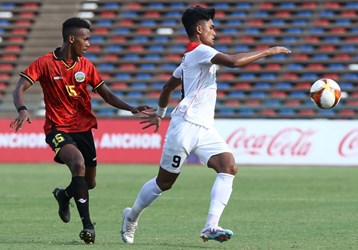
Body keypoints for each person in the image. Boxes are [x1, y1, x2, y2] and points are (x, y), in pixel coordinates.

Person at [120, 5, 291, 244]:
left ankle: (211, 226)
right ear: (199, 29)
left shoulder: (190, 57)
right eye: (211, 26)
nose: (215, 31)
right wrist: (268, 51)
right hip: (185, 127)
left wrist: (160, 112)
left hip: (204, 128)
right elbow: (232, 61)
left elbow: (168, 87)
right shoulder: (199, 51)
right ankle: (131, 216)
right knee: (164, 183)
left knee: (228, 167)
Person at [10, 17, 150, 244]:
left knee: (88, 182)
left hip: (83, 129)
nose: (89, 44)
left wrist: (131, 108)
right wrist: (23, 109)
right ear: (71, 38)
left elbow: (107, 95)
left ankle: (63, 195)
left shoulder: (86, 66)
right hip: (57, 128)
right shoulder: (45, 63)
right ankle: (87, 227)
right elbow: (20, 87)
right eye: (86, 39)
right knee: (77, 164)